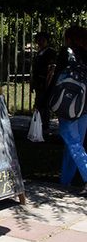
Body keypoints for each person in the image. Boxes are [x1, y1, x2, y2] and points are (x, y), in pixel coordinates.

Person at [52, 25, 87, 194]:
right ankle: (65, 182)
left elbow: (57, 80)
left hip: (68, 105)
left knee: (73, 143)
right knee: (74, 145)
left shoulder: (66, 54)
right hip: (84, 107)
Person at [31, 31, 56, 131]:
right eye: (39, 40)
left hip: (45, 82)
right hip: (38, 82)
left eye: (43, 40)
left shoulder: (50, 53)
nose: (40, 42)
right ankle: (38, 122)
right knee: (38, 102)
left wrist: (48, 85)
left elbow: (51, 70)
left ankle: (44, 124)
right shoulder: (39, 53)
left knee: (44, 103)